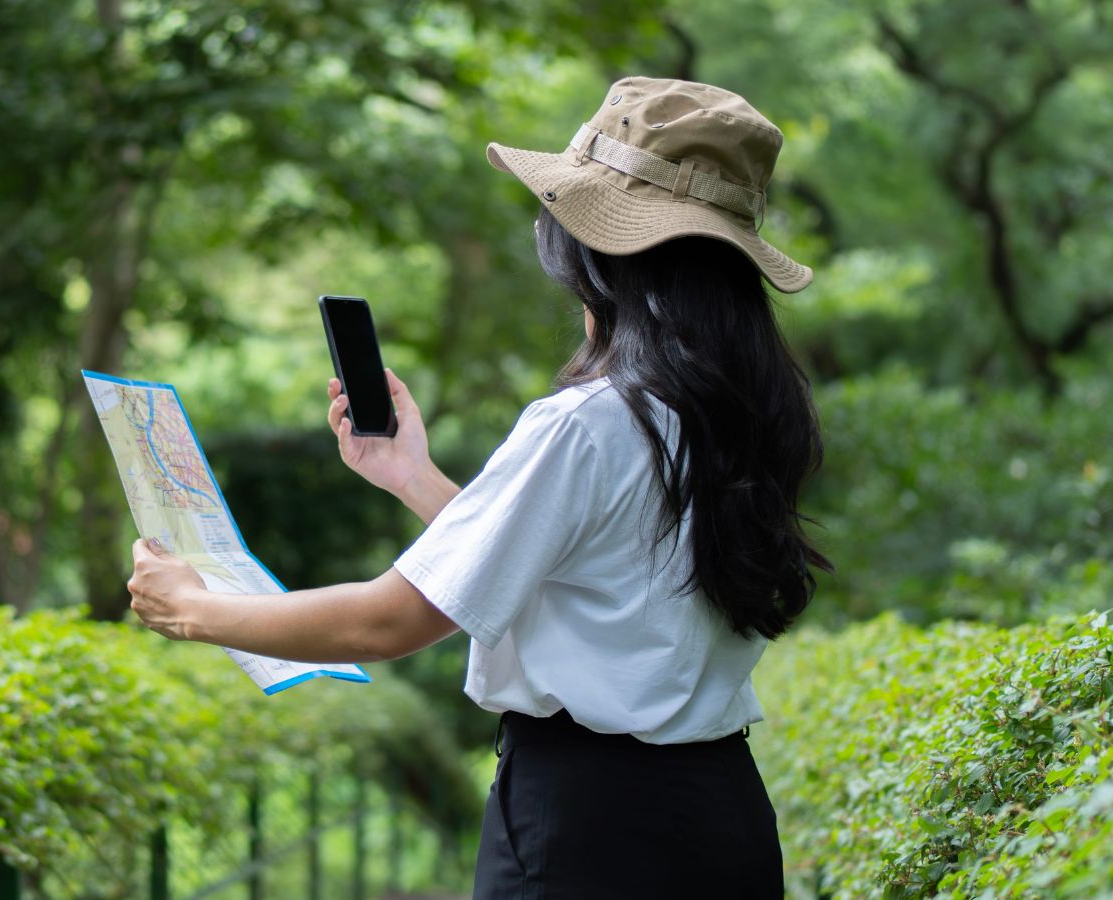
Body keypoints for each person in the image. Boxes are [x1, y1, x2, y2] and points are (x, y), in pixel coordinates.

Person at [125, 76, 830, 898]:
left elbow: (387, 621)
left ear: (593, 244)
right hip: (722, 821)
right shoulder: (740, 414)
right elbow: (599, 582)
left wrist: (195, 610)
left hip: (588, 833)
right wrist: (415, 477)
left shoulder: (589, 422)